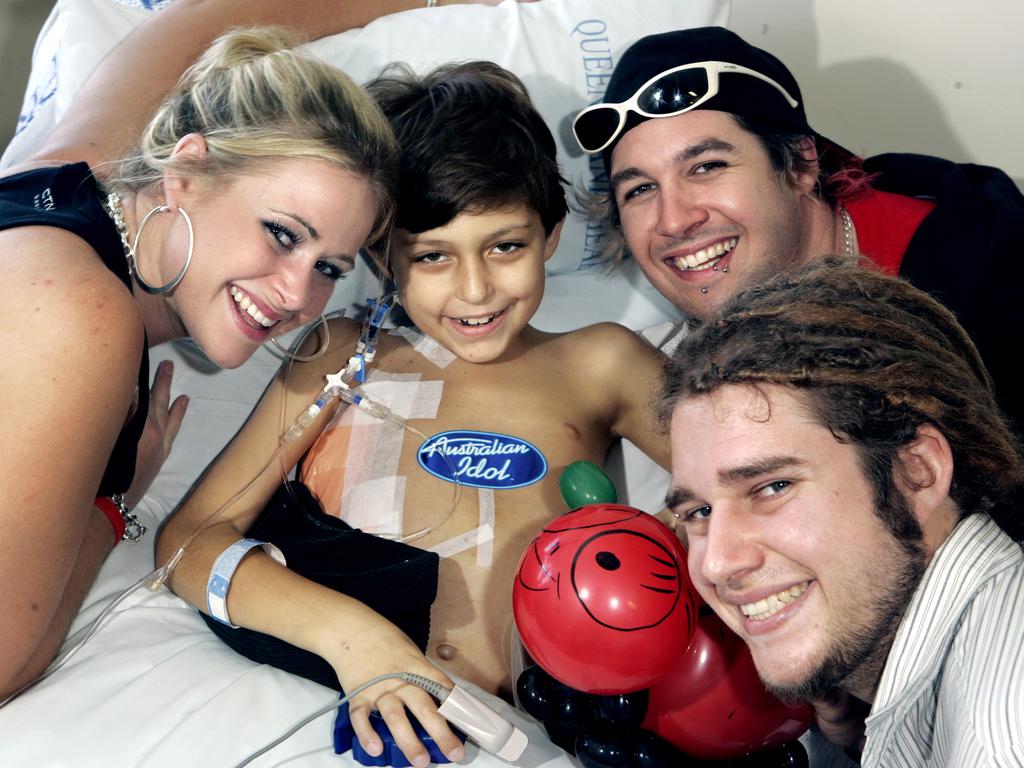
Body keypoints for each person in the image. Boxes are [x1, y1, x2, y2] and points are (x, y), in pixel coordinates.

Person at [156, 61, 669, 768]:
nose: (475, 288)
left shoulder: (602, 362)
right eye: (431, 256)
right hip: (352, 716)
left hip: (530, 738)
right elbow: (189, 544)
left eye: (506, 246)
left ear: (551, 234)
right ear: (381, 257)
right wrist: (357, 642)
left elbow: (742, 480)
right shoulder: (342, 356)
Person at [0, 20, 400, 701]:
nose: (297, 295)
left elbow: (194, 19)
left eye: (330, 267)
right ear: (185, 171)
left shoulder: (66, 168)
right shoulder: (84, 322)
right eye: (281, 234)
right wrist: (117, 502)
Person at [660, 258, 1024, 767]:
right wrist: (857, 742)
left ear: (917, 472)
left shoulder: (1000, 740)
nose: (718, 563)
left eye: (772, 487)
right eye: (698, 512)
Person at [574, 26, 1024, 434]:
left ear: (801, 164)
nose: (673, 220)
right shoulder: (665, 357)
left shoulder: (990, 289)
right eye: (640, 189)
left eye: (707, 166)